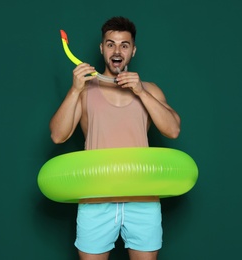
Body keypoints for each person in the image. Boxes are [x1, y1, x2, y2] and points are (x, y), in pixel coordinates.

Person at [50, 16, 181, 260]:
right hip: (95, 199)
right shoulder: (84, 90)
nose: (117, 50)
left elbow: (173, 130)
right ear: (102, 49)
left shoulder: (149, 89)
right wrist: (75, 88)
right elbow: (58, 136)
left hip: (142, 198)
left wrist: (141, 91)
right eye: (110, 44)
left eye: (124, 44)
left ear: (133, 50)